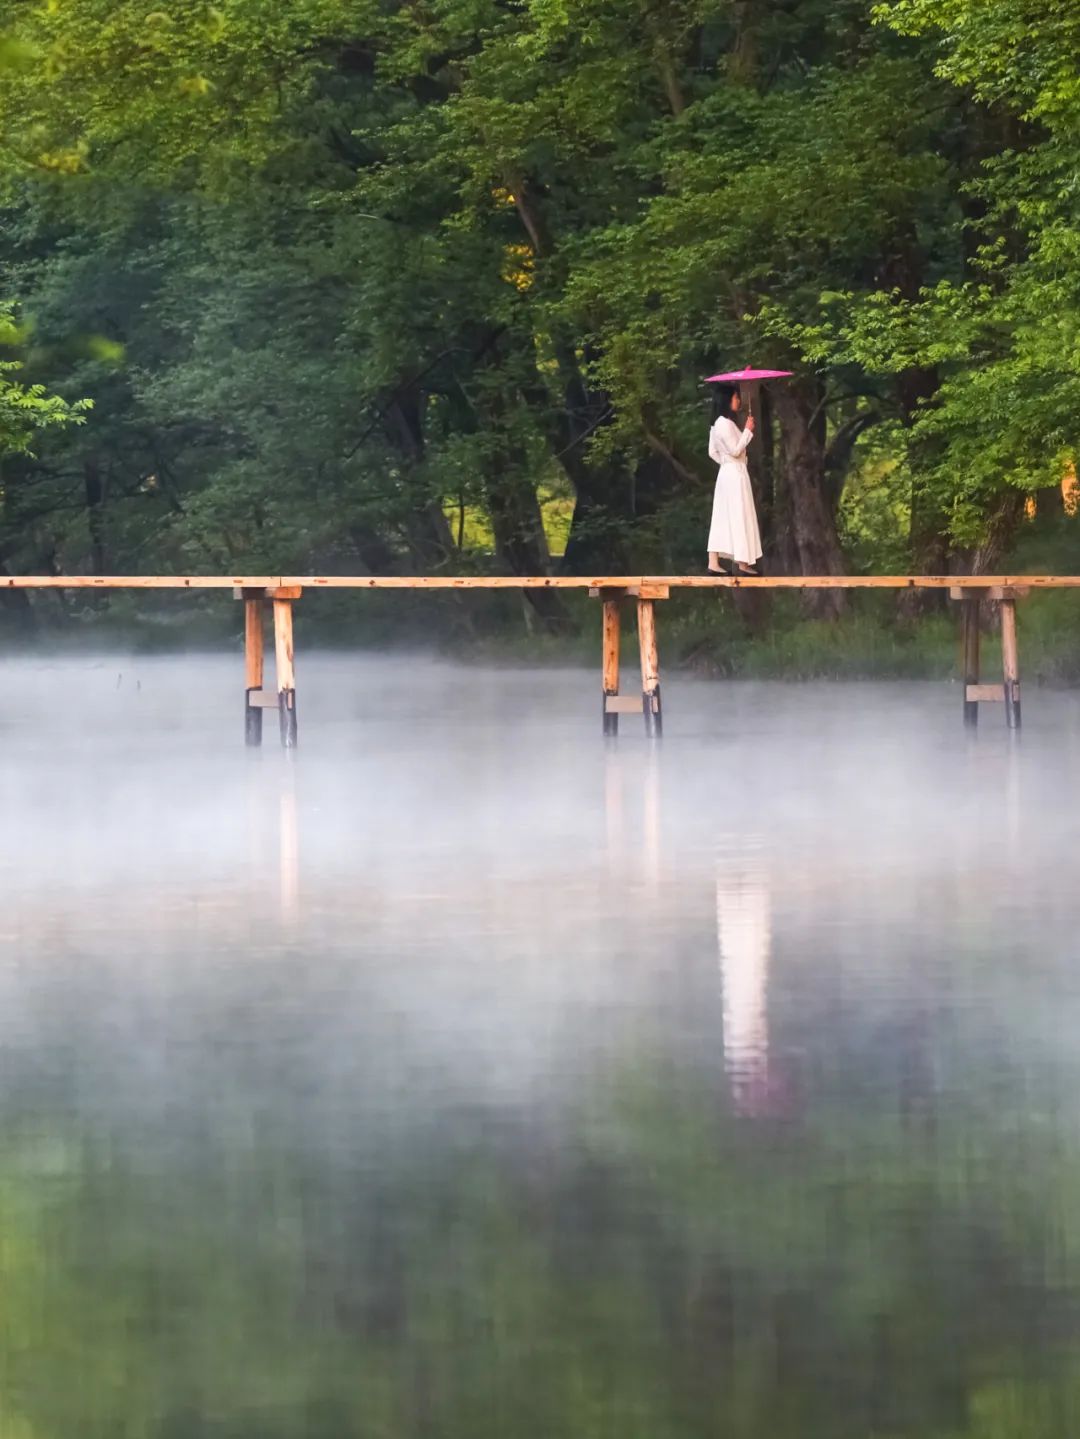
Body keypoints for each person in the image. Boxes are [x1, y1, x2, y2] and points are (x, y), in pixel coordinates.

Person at [707, 384, 763, 575]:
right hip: (734, 474)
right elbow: (735, 449)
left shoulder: (719, 423)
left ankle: (734, 561)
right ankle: (739, 562)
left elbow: (712, 452)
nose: (738, 400)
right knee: (738, 513)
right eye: (735, 397)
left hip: (728, 472)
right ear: (727, 400)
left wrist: (725, 463)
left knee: (727, 514)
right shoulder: (723, 423)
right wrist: (748, 431)